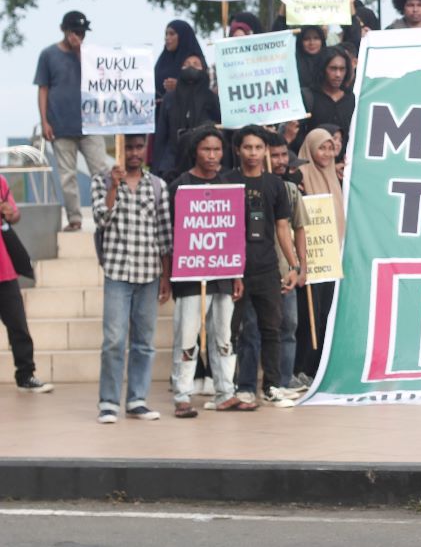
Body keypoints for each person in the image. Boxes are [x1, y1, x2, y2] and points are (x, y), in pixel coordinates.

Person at [91, 134, 172, 422]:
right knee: (113, 339)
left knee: (144, 341)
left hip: (149, 273)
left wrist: (166, 276)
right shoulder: (102, 181)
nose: (134, 153)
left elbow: (164, 234)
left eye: (139, 147)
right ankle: (109, 403)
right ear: (119, 149)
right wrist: (114, 186)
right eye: (129, 147)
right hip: (117, 271)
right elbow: (101, 219)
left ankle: (137, 399)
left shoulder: (157, 186)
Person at [225, 125, 301, 409]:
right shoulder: (226, 182)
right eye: (248, 147)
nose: (253, 153)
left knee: (272, 328)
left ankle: (272, 385)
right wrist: (229, 270)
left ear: (265, 151)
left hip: (268, 267)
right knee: (242, 330)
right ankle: (243, 387)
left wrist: (293, 265)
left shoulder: (275, 185)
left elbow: (283, 228)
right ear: (237, 150)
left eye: (258, 148)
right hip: (235, 269)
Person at [166, 127, 239, 416]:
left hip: (223, 277)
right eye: (206, 149)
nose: (212, 155)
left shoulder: (228, 185)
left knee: (224, 338)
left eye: (217, 150)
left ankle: (225, 392)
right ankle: (182, 395)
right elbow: (171, 234)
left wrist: (236, 275)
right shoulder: (180, 186)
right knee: (186, 339)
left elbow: (235, 234)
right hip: (189, 277)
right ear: (195, 151)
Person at [35, 11, 110, 232]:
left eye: (82, 33)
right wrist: (44, 121)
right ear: (64, 30)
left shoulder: (90, 54)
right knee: (67, 175)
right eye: (75, 32)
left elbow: (101, 80)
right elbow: (43, 89)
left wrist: (80, 51)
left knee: (101, 170)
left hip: (91, 122)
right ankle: (75, 218)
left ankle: (106, 213)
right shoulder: (48, 55)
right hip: (60, 123)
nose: (79, 36)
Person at [294, 128, 345, 382]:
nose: (325, 153)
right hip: (309, 257)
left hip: (331, 257)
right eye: (320, 148)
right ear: (310, 149)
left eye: (329, 148)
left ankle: (315, 368)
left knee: (324, 314)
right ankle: (299, 367)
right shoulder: (300, 175)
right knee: (307, 316)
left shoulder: (334, 176)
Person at [1, 175, 53, 393]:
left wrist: (10, 213)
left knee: (18, 325)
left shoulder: (1, 182)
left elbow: (15, 214)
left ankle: (26, 375)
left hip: (5, 269)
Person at [153, 55, 220, 179]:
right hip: (171, 165)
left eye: (196, 64)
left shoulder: (212, 99)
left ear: (203, 69)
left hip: (204, 166)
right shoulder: (169, 98)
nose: (191, 67)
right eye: (187, 64)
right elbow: (161, 134)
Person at [301, 48, 354, 158]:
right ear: (323, 69)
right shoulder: (309, 97)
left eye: (342, 69)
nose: (338, 74)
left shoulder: (351, 99)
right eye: (333, 69)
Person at [153, 20, 205, 99]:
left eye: (172, 34)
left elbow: (204, 90)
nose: (167, 38)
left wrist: (180, 86)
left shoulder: (196, 61)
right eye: (166, 34)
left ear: (183, 36)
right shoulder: (162, 61)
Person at [294, 26, 327, 92]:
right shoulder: (293, 62)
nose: (312, 43)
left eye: (316, 38)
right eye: (306, 39)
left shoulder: (329, 60)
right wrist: (281, 18)